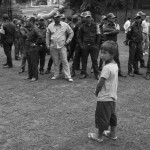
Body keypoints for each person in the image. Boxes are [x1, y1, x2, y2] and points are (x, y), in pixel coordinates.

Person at [88, 41, 118, 142]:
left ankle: (99, 136)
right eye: (101, 52)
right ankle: (112, 134)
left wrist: (96, 91)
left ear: (112, 54)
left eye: (105, 53)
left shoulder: (106, 68)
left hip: (104, 97)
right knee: (112, 116)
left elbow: (101, 82)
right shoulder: (115, 65)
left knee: (102, 117)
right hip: (112, 96)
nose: (102, 55)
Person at [46, 11, 74, 82]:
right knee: (55, 61)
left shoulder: (65, 25)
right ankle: (56, 74)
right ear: (53, 18)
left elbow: (71, 33)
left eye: (58, 17)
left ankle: (68, 76)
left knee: (65, 61)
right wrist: (47, 44)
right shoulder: (50, 25)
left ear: (60, 17)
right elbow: (47, 36)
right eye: (56, 18)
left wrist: (68, 41)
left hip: (62, 46)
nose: (57, 19)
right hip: (53, 46)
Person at [78, 11, 100, 80]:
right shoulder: (82, 27)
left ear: (91, 17)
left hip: (93, 45)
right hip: (85, 45)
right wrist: (81, 45)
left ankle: (97, 74)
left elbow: (98, 35)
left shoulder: (96, 25)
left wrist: (97, 45)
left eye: (89, 17)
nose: (88, 19)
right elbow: (79, 37)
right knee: (84, 60)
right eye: (86, 17)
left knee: (95, 60)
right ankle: (84, 73)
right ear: (84, 18)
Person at [103, 13, 126, 77]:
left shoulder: (116, 24)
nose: (114, 19)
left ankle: (119, 72)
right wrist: (113, 31)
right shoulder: (105, 24)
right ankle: (107, 73)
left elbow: (118, 31)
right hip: (108, 44)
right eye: (112, 18)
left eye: (114, 18)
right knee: (107, 58)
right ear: (108, 19)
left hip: (114, 43)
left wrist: (110, 32)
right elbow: (104, 30)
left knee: (116, 58)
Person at [25, 17, 43, 82]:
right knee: (29, 63)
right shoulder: (30, 29)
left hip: (33, 49)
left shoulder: (35, 29)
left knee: (34, 63)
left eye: (28, 21)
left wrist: (35, 43)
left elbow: (40, 36)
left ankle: (35, 76)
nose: (26, 22)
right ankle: (30, 76)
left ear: (32, 21)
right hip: (28, 48)